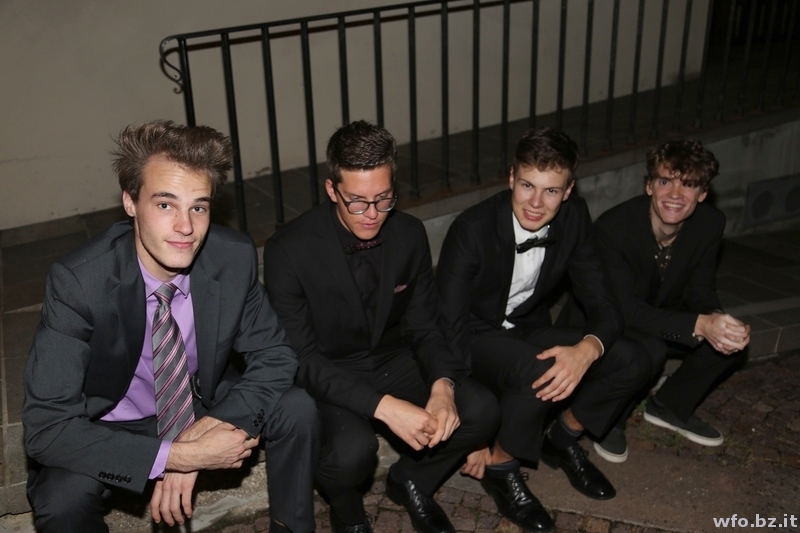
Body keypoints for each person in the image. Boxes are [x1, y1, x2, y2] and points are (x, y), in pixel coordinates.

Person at [23, 120, 318, 533]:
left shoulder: (232, 258)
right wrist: (180, 457)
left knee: (296, 407)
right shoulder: (80, 282)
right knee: (60, 499)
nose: (186, 227)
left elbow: (276, 356)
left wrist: (204, 430)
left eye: (198, 207)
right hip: (112, 421)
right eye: (165, 205)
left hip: (196, 404)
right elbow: (47, 428)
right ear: (130, 202)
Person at [262, 120, 499, 533]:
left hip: (392, 359)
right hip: (329, 370)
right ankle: (346, 508)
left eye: (383, 199)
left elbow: (424, 326)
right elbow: (303, 360)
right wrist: (385, 407)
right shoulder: (288, 250)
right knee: (352, 453)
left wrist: (442, 386)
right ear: (332, 189)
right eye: (357, 201)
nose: (372, 214)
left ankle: (411, 480)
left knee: (480, 409)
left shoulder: (409, 234)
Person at [436, 127, 653, 532]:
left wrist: (588, 348)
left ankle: (562, 439)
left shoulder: (574, 218)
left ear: (568, 191)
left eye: (551, 191)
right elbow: (449, 328)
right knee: (539, 370)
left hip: (526, 328)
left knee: (631, 358)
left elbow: (605, 304)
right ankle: (502, 467)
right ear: (511, 178)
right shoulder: (471, 229)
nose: (536, 203)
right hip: (473, 338)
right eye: (527, 186)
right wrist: (475, 434)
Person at [592, 139, 749, 453]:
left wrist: (717, 320)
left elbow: (699, 290)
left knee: (728, 340)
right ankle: (610, 416)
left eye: (688, 184)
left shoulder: (710, 223)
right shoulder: (614, 228)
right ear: (649, 185)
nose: (675, 195)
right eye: (665, 181)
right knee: (648, 349)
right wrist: (698, 325)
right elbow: (624, 310)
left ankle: (669, 406)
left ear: (702, 194)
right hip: (610, 320)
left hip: (661, 312)